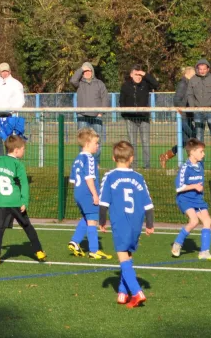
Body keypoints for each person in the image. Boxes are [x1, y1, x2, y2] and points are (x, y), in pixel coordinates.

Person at [99, 141, 155, 308]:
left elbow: (103, 203)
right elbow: (148, 204)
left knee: (122, 257)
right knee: (128, 256)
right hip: (136, 222)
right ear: (132, 158)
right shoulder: (139, 177)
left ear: (113, 158)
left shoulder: (109, 177)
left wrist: (102, 221)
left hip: (120, 222)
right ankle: (123, 293)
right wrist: (150, 223)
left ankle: (137, 292)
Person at [0, 135, 47, 265]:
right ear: (16, 150)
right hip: (15, 202)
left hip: (1, 202)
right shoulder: (18, 165)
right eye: (23, 149)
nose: (24, 151)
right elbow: (24, 185)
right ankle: (39, 251)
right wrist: (24, 201)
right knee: (27, 226)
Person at [67, 128, 112, 259]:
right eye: (95, 143)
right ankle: (94, 250)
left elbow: (73, 180)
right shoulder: (90, 159)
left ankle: (75, 242)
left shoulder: (77, 159)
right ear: (87, 143)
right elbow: (89, 178)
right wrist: (95, 195)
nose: (97, 146)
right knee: (93, 220)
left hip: (78, 192)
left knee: (87, 218)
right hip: (88, 193)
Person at [171, 139, 211, 260]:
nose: (203, 154)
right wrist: (194, 186)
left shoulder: (200, 165)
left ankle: (204, 251)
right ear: (192, 152)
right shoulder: (185, 168)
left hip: (197, 199)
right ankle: (178, 244)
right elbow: (179, 187)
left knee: (207, 221)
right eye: (201, 151)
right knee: (194, 221)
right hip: (185, 198)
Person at [119, 65, 159, 169]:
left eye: (140, 74)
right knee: (132, 143)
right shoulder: (125, 86)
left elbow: (156, 84)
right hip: (130, 118)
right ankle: (133, 166)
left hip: (144, 118)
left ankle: (147, 166)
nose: (138, 76)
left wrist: (145, 74)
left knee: (145, 142)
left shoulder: (145, 85)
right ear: (131, 75)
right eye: (136, 74)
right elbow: (121, 101)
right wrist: (125, 115)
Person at [70, 62, 109, 166]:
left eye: (89, 70)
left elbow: (105, 98)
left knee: (97, 141)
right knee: (82, 140)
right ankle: (83, 163)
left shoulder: (99, 83)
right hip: (82, 116)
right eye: (85, 71)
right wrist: (81, 69)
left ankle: (96, 164)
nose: (87, 73)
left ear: (92, 72)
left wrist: (101, 112)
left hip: (96, 117)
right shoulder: (79, 83)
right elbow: (72, 80)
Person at [186, 59, 211, 162]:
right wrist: (193, 107)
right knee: (198, 139)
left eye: (204, 69)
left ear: (208, 69)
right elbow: (189, 94)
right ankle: (200, 163)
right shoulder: (193, 80)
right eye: (200, 69)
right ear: (197, 69)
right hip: (198, 112)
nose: (202, 71)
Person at [0, 63, 25, 157]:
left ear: (10, 71)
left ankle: (9, 163)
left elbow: (20, 100)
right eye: (3, 71)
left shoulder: (16, 84)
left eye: (6, 71)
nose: (5, 73)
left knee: (10, 141)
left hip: (9, 115)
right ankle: (0, 162)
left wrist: (12, 111)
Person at [159, 66, 196, 168]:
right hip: (183, 116)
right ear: (188, 73)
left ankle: (165, 156)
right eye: (194, 74)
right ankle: (191, 163)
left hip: (188, 116)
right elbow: (176, 100)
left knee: (184, 141)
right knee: (194, 138)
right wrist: (183, 109)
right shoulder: (183, 84)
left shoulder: (189, 84)